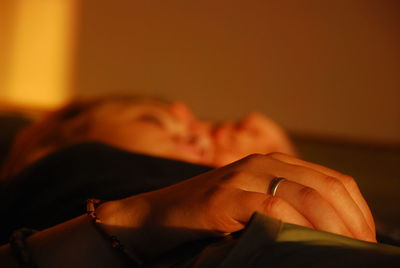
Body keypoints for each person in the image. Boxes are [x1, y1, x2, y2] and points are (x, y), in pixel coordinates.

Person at [0, 96, 398, 267]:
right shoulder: (66, 166)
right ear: (52, 144)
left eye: (199, 128)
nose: (197, 134)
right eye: (154, 120)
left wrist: (282, 167)